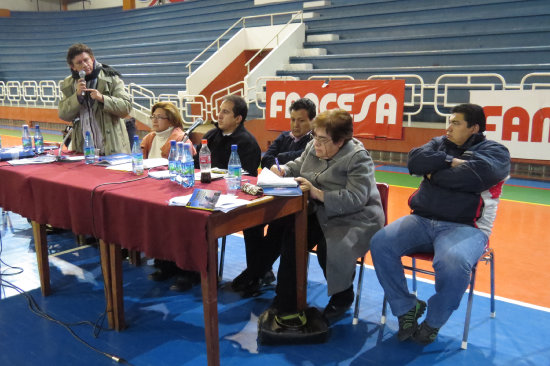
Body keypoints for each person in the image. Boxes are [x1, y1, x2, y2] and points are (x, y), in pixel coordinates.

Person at [370, 103, 511, 345]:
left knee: (453, 263)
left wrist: (433, 174)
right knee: (380, 243)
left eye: (456, 123)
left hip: (467, 228)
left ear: (474, 128)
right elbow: (414, 161)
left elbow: (477, 175)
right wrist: (449, 161)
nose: (449, 128)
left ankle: (433, 321)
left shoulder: (496, 152)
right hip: (421, 219)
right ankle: (406, 308)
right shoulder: (439, 143)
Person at [266, 109, 385, 322]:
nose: (316, 143)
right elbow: (299, 165)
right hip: (320, 210)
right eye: (315, 136)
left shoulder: (357, 157)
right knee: (292, 235)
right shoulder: (313, 146)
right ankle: (286, 298)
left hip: (357, 217)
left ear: (341, 141)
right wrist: (283, 170)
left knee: (329, 247)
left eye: (323, 139)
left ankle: (342, 296)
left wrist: (317, 192)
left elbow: (356, 198)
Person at [232, 98, 316, 297]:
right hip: (274, 193)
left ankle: (253, 273)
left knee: (279, 228)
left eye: (301, 121)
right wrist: (279, 160)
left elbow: (301, 158)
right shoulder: (283, 136)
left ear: (312, 121)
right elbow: (266, 158)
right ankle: (263, 272)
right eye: (293, 119)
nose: (296, 125)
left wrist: (279, 159)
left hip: (299, 201)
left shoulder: (314, 142)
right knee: (251, 224)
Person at [143, 101, 199, 292]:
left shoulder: (181, 139)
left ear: (172, 120)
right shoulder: (149, 138)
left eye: (159, 117)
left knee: (178, 223)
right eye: (153, 116)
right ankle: (164, 264)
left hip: (178, 191)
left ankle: (187, 270)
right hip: (153, 188)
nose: (155, 120)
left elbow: (188, 167)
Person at [58, 43, 131, 155]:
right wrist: (76, 97)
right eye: (79, 63)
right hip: (83, 150)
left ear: (92, 59)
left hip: (112, 148)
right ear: (73, 67)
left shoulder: (111, 77)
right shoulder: (69, 84)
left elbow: (126, 108)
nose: (85, 65)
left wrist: (102, 98)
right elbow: (63, 114)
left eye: (86, 60)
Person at [194, 94, 261, 176]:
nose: (219, 116)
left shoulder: (248, 143)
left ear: (238, 119)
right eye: (220, 111)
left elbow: (246, 175)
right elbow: (196, 164)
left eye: (225, 112)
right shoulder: (210, 136)